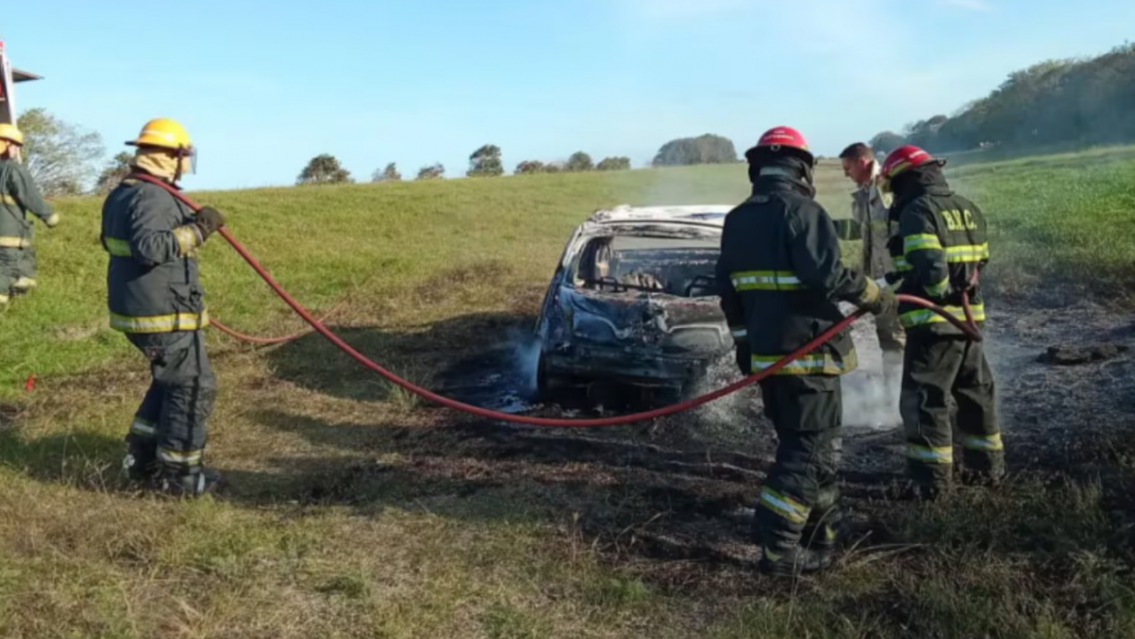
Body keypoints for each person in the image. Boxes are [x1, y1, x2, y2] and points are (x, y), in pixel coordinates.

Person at [716, 126, 895, 576]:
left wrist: (745, 348)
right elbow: (829, 276)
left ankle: (825, 531)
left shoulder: (737, 219)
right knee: (808, 454)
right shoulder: (803, 211)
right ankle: (779, 549)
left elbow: (729, 294)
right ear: (801, 168)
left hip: (768, 359)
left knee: (818, 447)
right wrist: (877, 296)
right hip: (808, 357)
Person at [100, 117, 227, 497]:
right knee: (192, 385)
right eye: (184, 155)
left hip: (142, 308)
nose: (186, 163)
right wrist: (199, 230)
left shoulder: (123, 192)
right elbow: (151, 247)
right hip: (162, 311)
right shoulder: (151, 196)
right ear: (173, 156)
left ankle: (142, 459)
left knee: (167, 381)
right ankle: (180, 479)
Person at [880, 144, 1004, 499]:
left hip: (933, 322)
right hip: (970, 320)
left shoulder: (918, 209)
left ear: (905, 179)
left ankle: (932, 485)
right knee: (976, 394)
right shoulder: (968, 207)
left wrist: (937, 290)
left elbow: (931, 267)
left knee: (923, 400)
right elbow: (981, 261)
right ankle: (987, 471)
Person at [840, 142, 905, 409]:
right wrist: (821, 227)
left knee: (895, 337)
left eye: (847, 167)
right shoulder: (866, 193)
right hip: (879, 279)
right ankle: (895, 393)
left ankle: (901, 399)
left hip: (895, 279)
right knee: (887, 334)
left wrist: (894, 276)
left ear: (863, 162)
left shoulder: (887, 189)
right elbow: (862, 231)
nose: (845, 174)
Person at [0, 123, 59, 305]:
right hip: (8, 235)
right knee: (6, 268)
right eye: (16, 145)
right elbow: (30, 196)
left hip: (13, 236)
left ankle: (21, 298)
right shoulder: (13, 170)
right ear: (7, 145)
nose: (17, 150)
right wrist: (48, 216)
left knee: (24, 263)